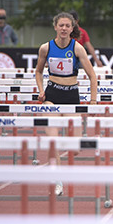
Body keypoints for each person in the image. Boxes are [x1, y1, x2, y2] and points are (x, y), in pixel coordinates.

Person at [34, 11, 99, 196]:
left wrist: (93, 102)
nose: (63, 28)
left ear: (72, 28)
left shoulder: (78, 48)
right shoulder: (45, 48)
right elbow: (38, 72)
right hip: (52, 96)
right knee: (52, 141)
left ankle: (62, 155)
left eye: (67, 26)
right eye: (61, 25)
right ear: (55, 27)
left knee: (75, 148)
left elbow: (92, 76)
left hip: (72, 98)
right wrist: (40, 89)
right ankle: (57, 180)